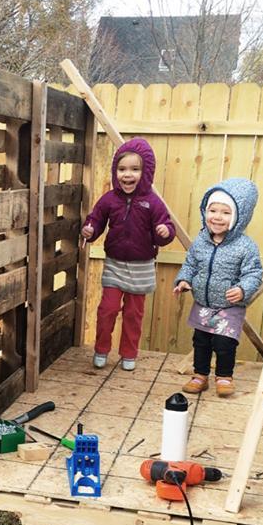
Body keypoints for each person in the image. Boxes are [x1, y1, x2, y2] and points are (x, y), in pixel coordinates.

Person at [81, 137, 175, 370]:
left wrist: (165, 232)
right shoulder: (109, 199)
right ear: (115, 172)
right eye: (122, 169)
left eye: (135, 169)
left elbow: (166, 226)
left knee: (134, 314)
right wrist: (89, 230)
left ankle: (129, 353)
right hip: (115, 263)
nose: (127, 175)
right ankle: (101, 349)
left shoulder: (153, 202)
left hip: (141, 265)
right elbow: (96, 220)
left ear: (146, 172)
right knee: (108, 309)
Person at [173, 179, 262, 398]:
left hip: (229, 306)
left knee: (224, 344)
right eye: (212, 210)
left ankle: (224, 377)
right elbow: (191, 264)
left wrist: (242, 289)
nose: (217, 217)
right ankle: (200, 375)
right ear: (205, 211)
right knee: (201, 342)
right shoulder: (201, 241)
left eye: (225, 212)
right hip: (203, 303)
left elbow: (253, 273)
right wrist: (184, 280)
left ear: (239, 217)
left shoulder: (245, 246)